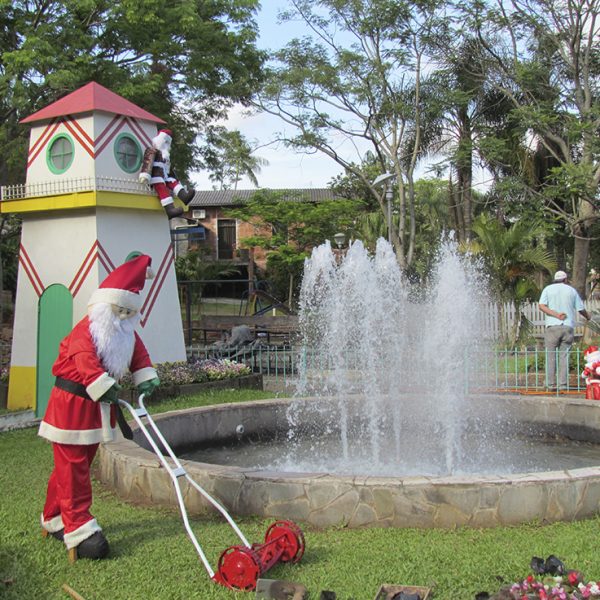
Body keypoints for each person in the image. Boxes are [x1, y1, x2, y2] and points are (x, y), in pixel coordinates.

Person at [38, 254, 161, 561]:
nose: (123, 318)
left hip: (93, 408)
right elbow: (85, 362)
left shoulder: (123, 332)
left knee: (73, 463)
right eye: (119, 311)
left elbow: (137, 352)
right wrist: (103, 383)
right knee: (74, 466)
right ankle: (78, 529)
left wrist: (145, 375)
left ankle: (54, 516)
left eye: (128, 313)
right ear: (106, 305)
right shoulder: (88, 330)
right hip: (71, 406)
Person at [538, 270, 590, 390]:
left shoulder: (548, 289)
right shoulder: (571, 290)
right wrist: (588, 316)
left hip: (552, 327)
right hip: (567, 327)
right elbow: (580, 308)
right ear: (565, 280)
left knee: (550, 356)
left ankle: (550, 385)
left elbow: (541, 306)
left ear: (555, 279)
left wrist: (556, 315)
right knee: (564, 356)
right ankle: (563, 385)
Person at [139, 128, 195, 219]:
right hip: (156, 175)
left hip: (165, 175)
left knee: (173, 182)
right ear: (160, 140)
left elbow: (169, 169)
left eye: (168, 143)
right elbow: (148, 162)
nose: (167, 146)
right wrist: (145, 174)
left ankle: (184, 196)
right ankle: (170, 209)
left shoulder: (166, 156)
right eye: (165, 142)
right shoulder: (152, 151)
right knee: (161, 187)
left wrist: (175, 179)